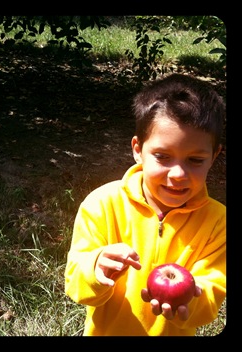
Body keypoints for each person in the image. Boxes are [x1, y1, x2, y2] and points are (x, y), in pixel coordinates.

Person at [64, 73, 226, 336]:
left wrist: (191, 299)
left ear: (214, 156)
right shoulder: (102, 205)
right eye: (162, 157)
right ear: (138, 149)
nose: (178, 174)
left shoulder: (219, 223)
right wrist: (96, 269)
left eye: (195, 160)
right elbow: (75, 284)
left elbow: (211, 298)